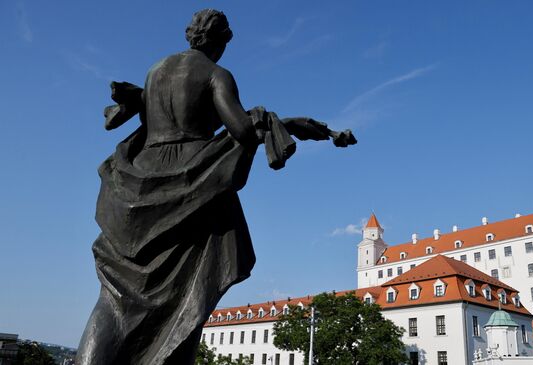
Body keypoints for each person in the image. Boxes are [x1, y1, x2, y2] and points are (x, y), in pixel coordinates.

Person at [76, 9, 354, 365]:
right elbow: (242, 130)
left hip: (136, 185)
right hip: (192, 188)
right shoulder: (216, 74)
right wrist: (286, 124)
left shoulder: (156, 70)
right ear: (220, 40)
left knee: (113, 299)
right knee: (190, 299)